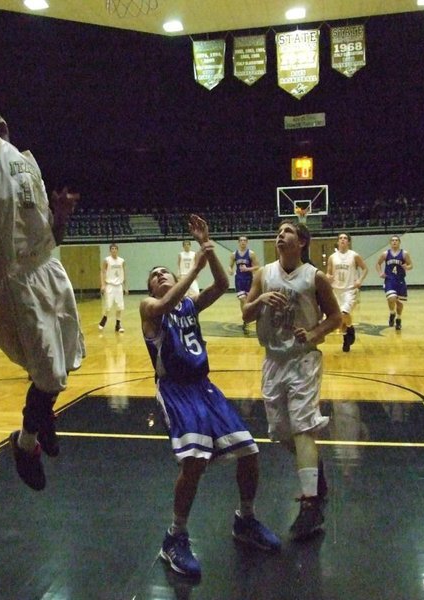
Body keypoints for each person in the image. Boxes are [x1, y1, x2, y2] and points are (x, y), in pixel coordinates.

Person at [0, 0, 85, 491]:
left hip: (49, 266)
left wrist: (63, 214)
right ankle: (25, 441)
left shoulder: (25, 161)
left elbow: (53, 235)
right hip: (18, 279)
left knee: (67, 362)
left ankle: (42, 421)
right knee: (49, 374)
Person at [141, 214, 281, 579]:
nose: (159, 276)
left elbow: (221, 283)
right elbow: (168, 301)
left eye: (163, 272)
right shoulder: (150, 309)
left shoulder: (189, 304)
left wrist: (208, 247)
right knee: (195, 462)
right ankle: (174, 536)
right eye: (154, 276)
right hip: (176, 390)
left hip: (204, 386)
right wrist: (191, 272)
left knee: (249, 451)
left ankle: (245, 520)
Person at [242, 220, 341, 541]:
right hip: (273, 359)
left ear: (301, 242)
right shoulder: (263, 274)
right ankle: (317, 475)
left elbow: (337, 318)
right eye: (278, 231)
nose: (280, 234)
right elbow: (245, 313)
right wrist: (259, 302)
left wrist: (313, 333)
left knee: (302, 426)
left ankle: (312, 503)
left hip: (302, 359)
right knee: (281, 431)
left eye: (287, 231)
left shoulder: (315, 277)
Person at [325, 233, 368, 352]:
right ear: (337, 242)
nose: (343, 240)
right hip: (336, 290)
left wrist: (360, 280)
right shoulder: (332, 257)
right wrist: (328, 277)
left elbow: (365, 268)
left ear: (348, 242)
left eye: (345, 238)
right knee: (339, 318)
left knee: (344, 313)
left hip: (350, 289)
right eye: (340, 238)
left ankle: (350, 329)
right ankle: (347, 334)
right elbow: (328, 272)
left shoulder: (354, 255)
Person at [375, 235, 413, 330]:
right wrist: (380, 273)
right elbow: (378, 263)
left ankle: (398, 319)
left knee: (399, 302)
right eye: (392, 240)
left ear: (399, 242)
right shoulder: (385, 254)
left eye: (396, 240)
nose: (394, 242)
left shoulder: (404, 254)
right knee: (391, 298)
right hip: (389, 279)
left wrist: (407, 267)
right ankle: (392, 312)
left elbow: (411, 265)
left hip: (400, 280)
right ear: (390, 243)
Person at [228, 236, 259, 333]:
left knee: (248, 300)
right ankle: (246, 319)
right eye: (241, 240)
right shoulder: (234, 254)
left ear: (247, 242)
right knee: (243, 300)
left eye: (245, 240)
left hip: (249, 279)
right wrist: (230, 270)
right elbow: (230, 265)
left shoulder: (251, 254)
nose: (243, 242)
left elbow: (257, 266)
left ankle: (249, 316)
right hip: (239, 280)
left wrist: (248, 269)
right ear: (238, 242)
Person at [99, 243, 127, 333]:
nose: (114, 250)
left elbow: (124, 273)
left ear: (117, 250)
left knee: (120, 306)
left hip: (118, 286)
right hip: (110, 285)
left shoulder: (121, 261)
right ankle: (104, 318)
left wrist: (125, 286)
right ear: (110, 250)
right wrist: (103, 284)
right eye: (112, 249)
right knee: (108, 306)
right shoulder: (107, 260)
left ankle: (118, 325)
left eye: (115, 249)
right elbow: (102, 272)